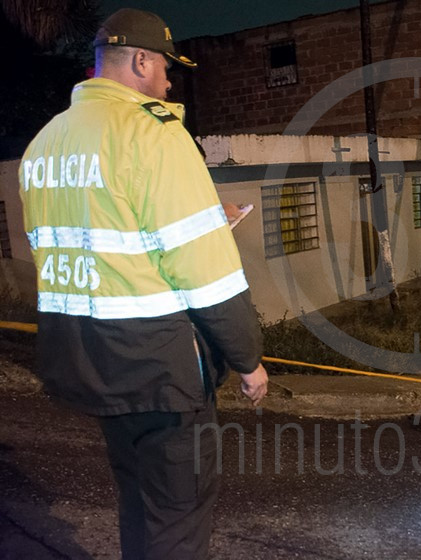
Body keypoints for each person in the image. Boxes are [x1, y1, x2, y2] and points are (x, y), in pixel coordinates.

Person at [18, 8, 268, 559]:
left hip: (90, 359)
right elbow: (205, 273)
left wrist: (202, 220)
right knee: (177, 517)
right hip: (158, 366)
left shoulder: (46, 143)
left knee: (136, 502)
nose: (170, 81)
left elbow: (85, 241)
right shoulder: (153, 134)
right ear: (139, 61)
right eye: (165, 67)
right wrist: (247, 360)